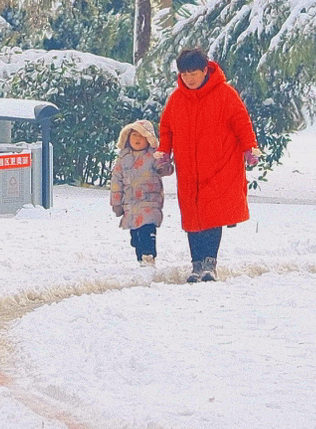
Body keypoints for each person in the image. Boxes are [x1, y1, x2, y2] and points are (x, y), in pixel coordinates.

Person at [153, 46, 258, 282]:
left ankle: (210, 263)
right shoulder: (177, 99)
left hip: (220, 164)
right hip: (188, 166)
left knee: (212, 213)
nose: (189, 79)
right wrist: (164, 151)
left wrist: (249, 148)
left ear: (205, 70)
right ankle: (196, 264)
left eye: (193, 73)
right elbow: (167, 128)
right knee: (192, 215)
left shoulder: (225, 94)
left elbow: (242, 123)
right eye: (184, 74)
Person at [110, 120, 173, 278]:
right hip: (130, 205)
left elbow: (164, 169)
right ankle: (140, 256)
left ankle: (149, 255)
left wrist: (164, 165)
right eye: (134, 135)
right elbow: (116, 182)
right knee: (136, 235)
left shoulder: (153, 156)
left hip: (149, 201)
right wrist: (116, 203)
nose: (137, 139)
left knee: (147, 229)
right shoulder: (123, 159)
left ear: (149, 139)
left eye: (141, 136)